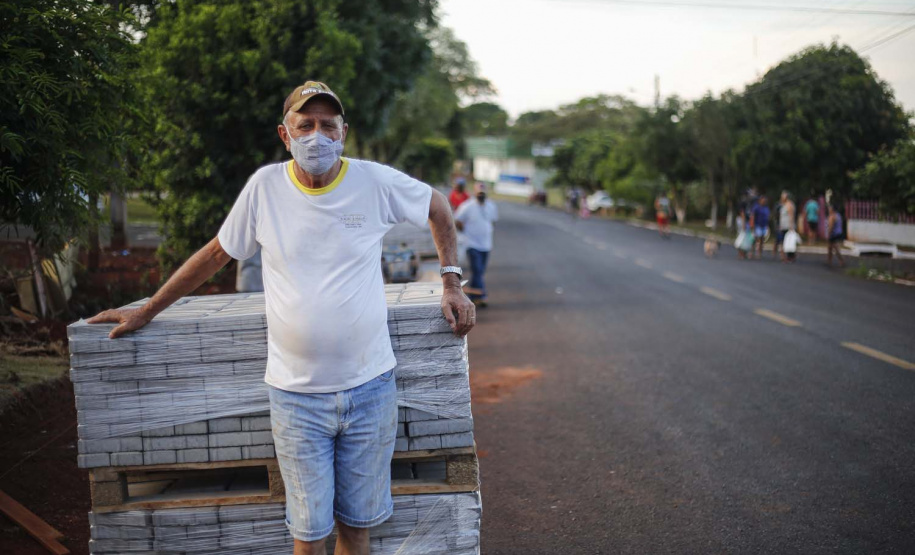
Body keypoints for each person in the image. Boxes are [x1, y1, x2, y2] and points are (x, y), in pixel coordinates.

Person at [86, 81, 475, 555]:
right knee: (309, 536)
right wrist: (147, 309)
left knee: (356, 529)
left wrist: (451, 282)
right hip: (296, 399)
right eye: (304, 125)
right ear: (284, 134)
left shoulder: (373, 182)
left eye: (328, 126)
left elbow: (437, 207)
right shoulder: (265, 188)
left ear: (343, 133)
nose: (317, 135)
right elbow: (214, 255)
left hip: (371, 389)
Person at [454, 183, 498, 307]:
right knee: (477, 270)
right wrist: (465, 232)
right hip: (471, 243)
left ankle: (473, 296)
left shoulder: (491, 206)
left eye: (483, 193)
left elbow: (493, 221)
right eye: (479, 193)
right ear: (474, 193)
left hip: (486, 244)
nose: (481, 196)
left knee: (479, 271)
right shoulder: (467, 206)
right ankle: (481, 295)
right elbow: (457, 220)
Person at [773, 191, 796, 262]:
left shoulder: (789, 205)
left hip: (788, 226)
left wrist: (791, 226)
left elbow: (791, 216)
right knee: (782, 241)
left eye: (783, 196)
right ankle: (783, 257)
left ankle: (789, 257)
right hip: (782, 226)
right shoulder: (782, 205)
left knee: (788, 242)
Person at [750, 195, 770, 259]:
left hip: (764, 225)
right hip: (757, 225)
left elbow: (768, 217)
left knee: (761, 239)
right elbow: (753, 216)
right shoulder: (756, 207)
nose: (764, 201)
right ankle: (752, 252)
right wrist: (752, 225)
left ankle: (759, 253)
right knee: (756, 239)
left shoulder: (766, 208)